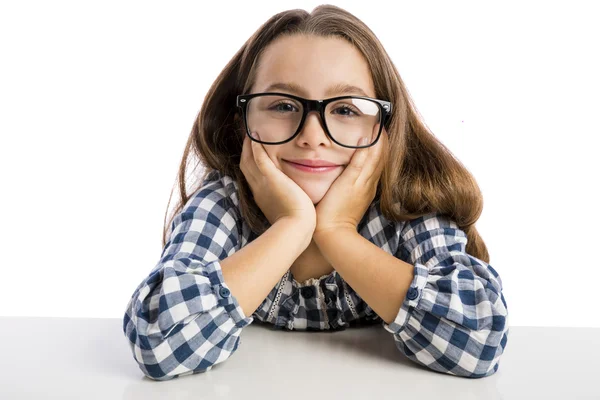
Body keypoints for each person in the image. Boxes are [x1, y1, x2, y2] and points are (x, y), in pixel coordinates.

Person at [122, 4, 509, 381]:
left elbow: (481, 339)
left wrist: (336, 230)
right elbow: (157, 339)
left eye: (345, 110)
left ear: (386, 128)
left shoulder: (407, 205)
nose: (312, 137)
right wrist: (293, 224)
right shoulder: (224, 203)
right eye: (283, 105)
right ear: (241, 121)